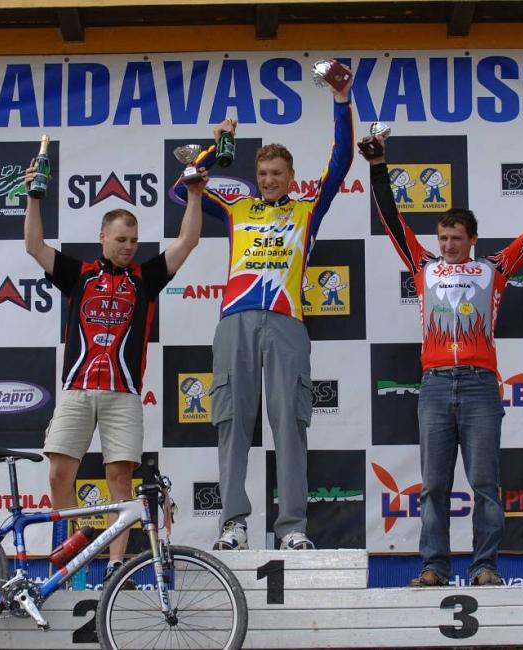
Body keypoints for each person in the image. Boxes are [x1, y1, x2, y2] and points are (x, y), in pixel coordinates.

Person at [359, 134, 523, 586]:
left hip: (479, 385)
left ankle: (485, 566)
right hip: (433, 385)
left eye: (456, 238)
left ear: (472, 240)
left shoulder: (494, 268)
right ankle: (433, 567)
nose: (448, 245)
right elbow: (391, 218)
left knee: (485, 484)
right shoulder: (423, 266)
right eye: (443, 238)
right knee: (433, 486)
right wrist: (378, 166)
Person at [172, 69, 355, 551]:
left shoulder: (307, 209)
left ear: (291, 177)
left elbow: (341, 162)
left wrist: (341, 100)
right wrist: (217, 145)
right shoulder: (237, 210)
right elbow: (182, 188)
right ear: (255, 178)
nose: (269, 180)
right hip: (235, 321)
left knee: (289, 424)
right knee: (232, 422)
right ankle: (233, 524)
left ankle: (292, 527)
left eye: (277, 173)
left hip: (287, 322)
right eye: (262, 174)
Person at [24, 163, 208, 578]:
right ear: (103, 237)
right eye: (121, 239)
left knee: (119, 479)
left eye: (134, 240)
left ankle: (114, 564)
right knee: (59, 474)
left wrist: (195, 196)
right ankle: (75, 550)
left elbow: (188, 240)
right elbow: (34, 245)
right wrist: (33, 197)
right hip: (77, 388)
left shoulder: (146, 277)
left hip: (123, 393)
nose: (128, 247)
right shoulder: (79, 274)